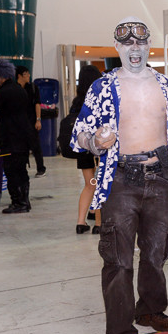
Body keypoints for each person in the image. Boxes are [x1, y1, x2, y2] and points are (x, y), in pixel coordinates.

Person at [71, 17, 168, 334]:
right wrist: (97, 141)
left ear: (148, 46)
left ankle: (150, 310)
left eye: (140, 42)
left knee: (156, 251)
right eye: (127, 43)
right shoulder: (102, 87)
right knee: (118, 258)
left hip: (161, 175)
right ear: (117, 48)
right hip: (120, 178)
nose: (134, 48)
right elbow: (80, 134)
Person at [0, 59, 35, 214]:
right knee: (22, 170)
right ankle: (25, 201)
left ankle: (17, 202)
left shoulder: (2, 92)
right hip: (24, 135)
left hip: (9, 137)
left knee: (11, 170)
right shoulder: (20, 90)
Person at [70, 65, 103, 234]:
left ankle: (80, 222)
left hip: (82, 148)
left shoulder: (77, 102)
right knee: (99, 184)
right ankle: (98, 224)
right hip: (98, 148)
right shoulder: (99, 98)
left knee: (90, 184)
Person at [16, 66, 46, 178]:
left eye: (28, 73)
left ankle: (41, 168)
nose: (28, 76)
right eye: (26, 74)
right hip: (18, 123)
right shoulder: (14, 89)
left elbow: (37, 104)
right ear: (19, 76)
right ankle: (21, 169)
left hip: (31, 121)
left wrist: (38, 119)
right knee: (21, 147)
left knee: (36, 145)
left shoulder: (33, 88)